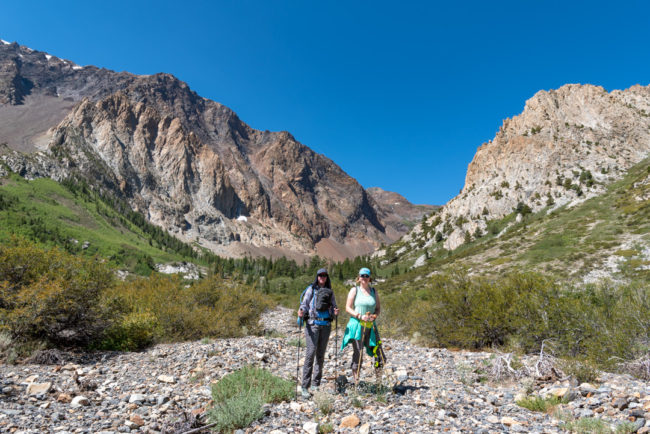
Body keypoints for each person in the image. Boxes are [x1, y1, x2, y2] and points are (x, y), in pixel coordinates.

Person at [298, 268, 339, 398]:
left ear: (327, 277)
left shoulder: (330, 292)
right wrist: (301, 312)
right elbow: (304, 304)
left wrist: (335, 312)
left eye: (324, 275)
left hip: (326, 325)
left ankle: (316, 384)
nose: (322, 277)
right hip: (313, 325)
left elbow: (333, 306)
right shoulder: (311, 289)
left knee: (320, 355)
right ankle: (305, 386)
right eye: (320, 275)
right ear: (317, 277)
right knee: (310, 354)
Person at [340, 267, 386, 383]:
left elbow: (378, 309)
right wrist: (360, 316)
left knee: (378, 351)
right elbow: (347, 308)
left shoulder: (374, 292)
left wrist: (374, 316)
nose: (364, 278)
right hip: (357, 325)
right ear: (359, 277)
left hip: (371, 325)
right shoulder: (354, 290)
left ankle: (378, 382)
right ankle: (356, 381)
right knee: (358, 352)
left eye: (367, 276)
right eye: (362, 276)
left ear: (370, 278)